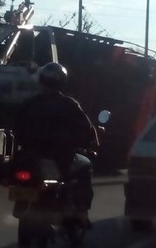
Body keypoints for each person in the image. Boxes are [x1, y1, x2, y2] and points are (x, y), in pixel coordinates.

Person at [13, 62, 97, 228]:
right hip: (60, 157)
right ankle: (81, 212)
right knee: (85, 165)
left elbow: (16, 128)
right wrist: (90, 144)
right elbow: (86, 128)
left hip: (31, 155)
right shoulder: (70, 105)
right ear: (62, 82)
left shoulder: (29, 103)